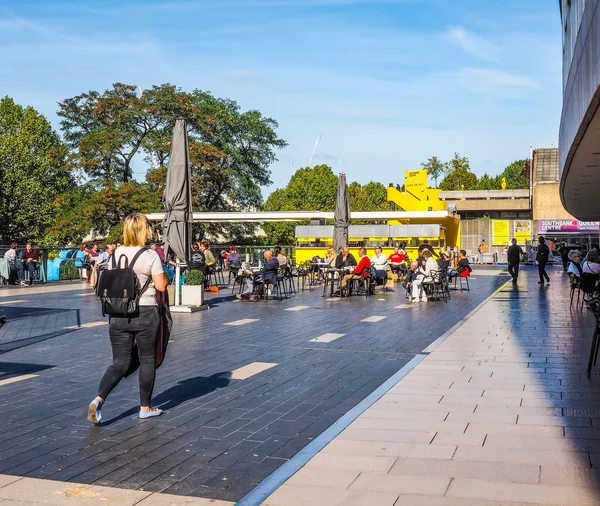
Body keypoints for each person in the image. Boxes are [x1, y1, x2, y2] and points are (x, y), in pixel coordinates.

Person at [88, 213, 167, 424]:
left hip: (117, 314)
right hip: (145, 312)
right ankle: (145, 407)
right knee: (147, 359)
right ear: (144, 231)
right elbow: (160, 286)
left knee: (119, 363)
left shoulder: (114, 255)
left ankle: (98, 399)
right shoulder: (150, 255)